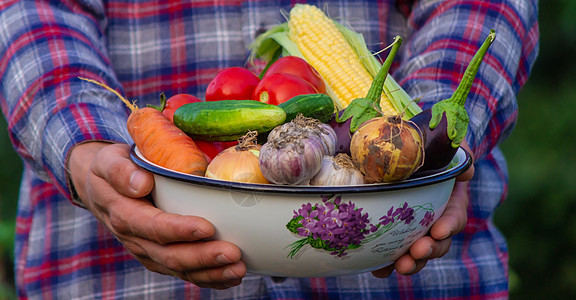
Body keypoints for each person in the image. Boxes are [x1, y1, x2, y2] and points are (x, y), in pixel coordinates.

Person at [0, 0, 538, 298]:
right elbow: (32, 13)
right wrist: (86, 146)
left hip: (416, 271)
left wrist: (427, 139)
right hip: (109, 276)